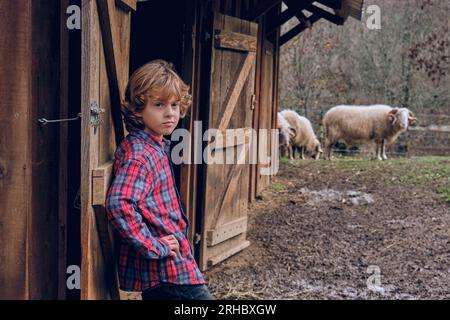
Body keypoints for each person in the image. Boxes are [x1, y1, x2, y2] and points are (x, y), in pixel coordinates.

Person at [105, 60, 214, 300]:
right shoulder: (140, 155)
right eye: (159, 105)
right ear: (137, 109)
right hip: (168, 270)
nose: (170, 113)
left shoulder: (153, 146)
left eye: (174, 105)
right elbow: (118, 204)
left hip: (168, 268)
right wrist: (154, 246)